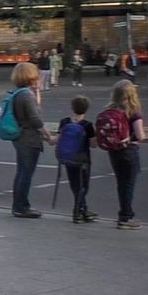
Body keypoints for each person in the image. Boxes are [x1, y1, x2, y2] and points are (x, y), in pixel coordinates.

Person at [9, 62, 53, 218]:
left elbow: (34, 109)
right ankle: (22, 206)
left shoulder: (18, 93)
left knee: (21, 172)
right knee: (26, 173)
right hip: (29, 139)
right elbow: (35, 119)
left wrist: (37, 91)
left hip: (20, 137)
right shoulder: (26, 95)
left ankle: (17, 205)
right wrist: (48, 136)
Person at [102, 79, 147, 230]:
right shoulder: (133, 111)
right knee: (128, 184)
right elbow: (140, 136)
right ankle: (126, 217)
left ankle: (124, 214)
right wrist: (130, 139)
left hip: (114, 151)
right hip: (129, 151)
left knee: (121, 183)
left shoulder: (110, 110)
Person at [57, 95, 97, 224]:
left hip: (68, 158)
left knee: (75, 185)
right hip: (83, 159)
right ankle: (77, 211)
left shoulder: (64, 122)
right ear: (86, 109)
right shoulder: (88, 125)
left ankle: (83, 209)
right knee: (83, 186)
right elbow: (93, 144)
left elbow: (57, 140)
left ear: (72, 108)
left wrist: (46, 137)